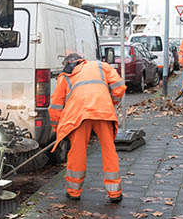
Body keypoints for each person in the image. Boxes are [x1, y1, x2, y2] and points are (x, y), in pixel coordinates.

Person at [48, 53, 126, 203]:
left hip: (78, 116)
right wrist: (111, 102)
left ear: (68, 63)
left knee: (77, 153)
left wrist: (57, 129)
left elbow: (55, 106)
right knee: (109, 151)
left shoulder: (65, 76)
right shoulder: (100, 66)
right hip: (103, 111)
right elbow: (119, 87)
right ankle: (114, 193)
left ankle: (74, 192)